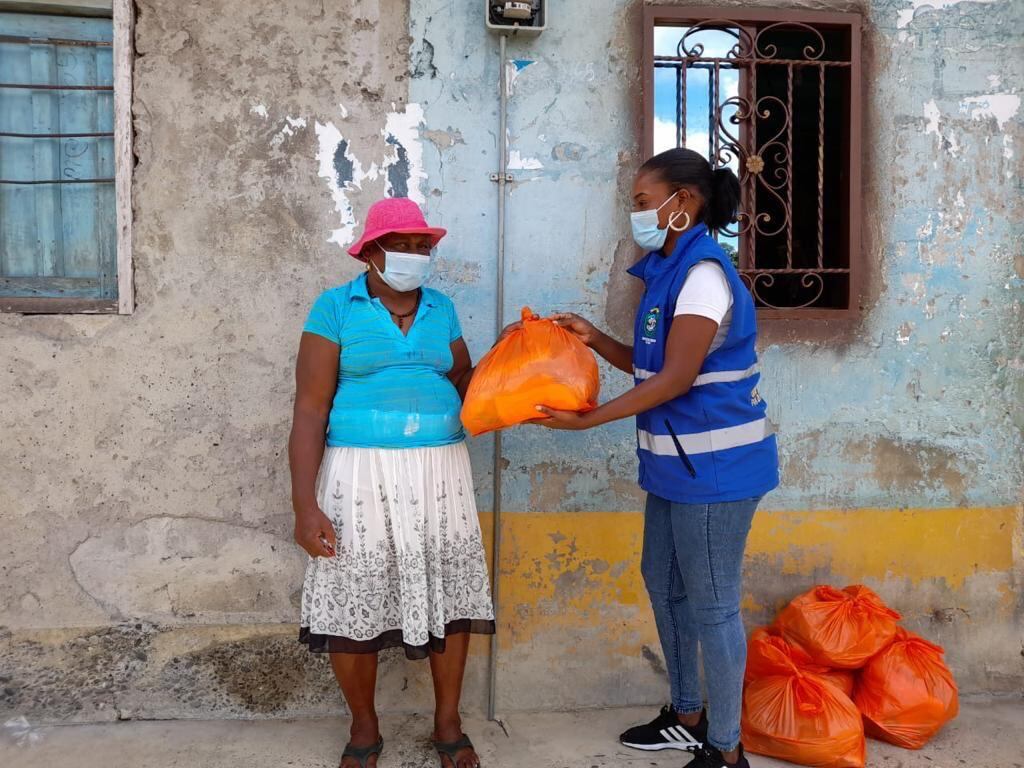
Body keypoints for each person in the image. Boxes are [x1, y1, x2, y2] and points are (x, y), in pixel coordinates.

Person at [537, 148, 779, 768]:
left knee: (713, 604)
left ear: (684, 202)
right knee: (664, 582)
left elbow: (675, 379)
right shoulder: (666, 272)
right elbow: (652, 365)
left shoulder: (703, 276)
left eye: (644, 202)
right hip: (675, 466)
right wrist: (595, 338)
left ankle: (725, 749)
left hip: (716, 471)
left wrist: (587, 420)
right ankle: (688, 714)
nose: (636, 214)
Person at [289, 197, 495, 768]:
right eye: (400, 244)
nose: (414, 254)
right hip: (359, 473)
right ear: (370, 252)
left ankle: (448, 724)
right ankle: (363, 728)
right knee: (355, 596)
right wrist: (305, 505)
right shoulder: (334, 308)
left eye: (422, 246)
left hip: (440, 471)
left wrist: (515, 361)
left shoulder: (442, 308)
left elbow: (463, 377)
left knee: (449, 594)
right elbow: (310, 408)